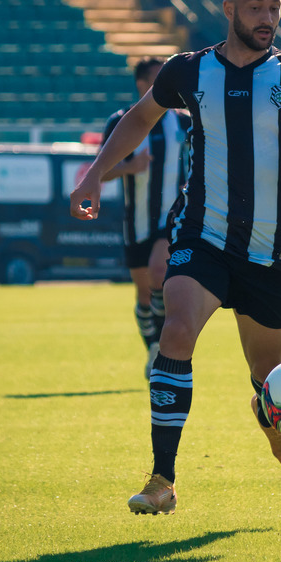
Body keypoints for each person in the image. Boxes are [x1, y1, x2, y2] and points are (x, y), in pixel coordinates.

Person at [69, 0, 281, 516]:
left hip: (271, 249)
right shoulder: (189, 71)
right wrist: (94, 174)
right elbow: (139, 119)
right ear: (229, 10)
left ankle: (273, 418)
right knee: (176, 329)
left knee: (265, 378)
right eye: (255, 7)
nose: (267, 18)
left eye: (275, 8)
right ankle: (162, 479)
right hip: (201, 234)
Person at [99, 57, 190, 380]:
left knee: (157, 272)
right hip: (135, 220)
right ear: (141, 84)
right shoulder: (121, 121)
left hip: (172, 217)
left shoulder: (183, 121)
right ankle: (152, 347)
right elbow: (101, 172)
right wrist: (129, 167)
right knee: (142, 292)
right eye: (158, 77)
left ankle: (162, 347)